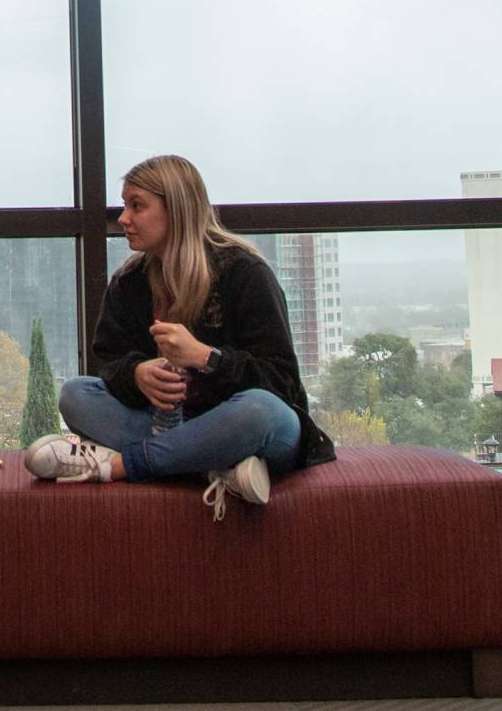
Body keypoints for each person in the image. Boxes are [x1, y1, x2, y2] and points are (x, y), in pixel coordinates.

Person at [25, 152, 336, 515]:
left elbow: (282, 384)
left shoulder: (245, 273)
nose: (123, 219)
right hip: (169, 426)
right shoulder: (130, 282)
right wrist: (137, 374)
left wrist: (206, 358)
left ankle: (118, 465)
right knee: (75, 394)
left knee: (260, 411)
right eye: (125, 206)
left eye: (137, 206)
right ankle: (214, 465)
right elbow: (107, 363)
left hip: (249, 426)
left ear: (177, 209)